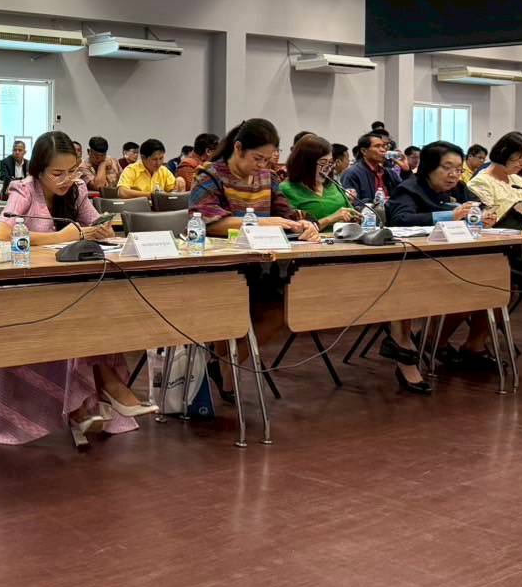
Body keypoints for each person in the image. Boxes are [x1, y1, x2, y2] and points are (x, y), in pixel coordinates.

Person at [0, 131, 155, 448]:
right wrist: (62, 237)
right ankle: (104, 390)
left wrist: (100, 229)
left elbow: (94, 224)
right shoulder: (24, 189)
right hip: (23, 288)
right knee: (79, 309)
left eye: (72, 171)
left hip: (64, 284)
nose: (66, 180)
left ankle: (85, 405)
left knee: (97, 302)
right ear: (38, 170)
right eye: (57, 173)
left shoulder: (77, 190)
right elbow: (2, 236)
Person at [189, 119, 319, 396]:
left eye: (268, 160)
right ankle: (227, 367)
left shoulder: (268, 178)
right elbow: (208, 222)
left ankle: (226, 364)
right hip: (221, 267)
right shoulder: (210, 175)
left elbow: (285, 215)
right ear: (238, 148)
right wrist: (262, 222)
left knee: (284, 309)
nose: (262, 165)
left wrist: (303, 224)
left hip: (263, 264)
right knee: (231, 310)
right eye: (257, 158)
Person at [381, 140, 501, 388]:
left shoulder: (460, 188)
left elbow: (477, 210)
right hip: (415, 264)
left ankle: (465, 344)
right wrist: (449, 216)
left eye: (458, 169)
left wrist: (483, 218)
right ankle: (408, 347)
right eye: (447, 168)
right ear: (428, 167)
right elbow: (400, 220)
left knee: (494, 283)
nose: (454, 175)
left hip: (458, 260)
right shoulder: (409, 189)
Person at [278, 134, 360, 231]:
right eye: (322, 162)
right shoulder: (287, 189)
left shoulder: (332, 185)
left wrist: (355, 218)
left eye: (330, 162)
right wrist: (330, 219)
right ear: (305, 163)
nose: (328, 168)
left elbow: (350, 212)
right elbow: (293, 229)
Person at [466, 132, 522, 225]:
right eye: (521, 159)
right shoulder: (480, 182)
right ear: (504, 152)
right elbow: (490, 222)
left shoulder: (517, 179)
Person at [341, 130, 399, 202]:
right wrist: (375, 203)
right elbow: (352, 203)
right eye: (377, 146)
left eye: (383, 146)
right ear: (364, 151)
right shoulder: (352, 173)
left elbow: (404, 195)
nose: (383, 150)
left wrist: (406, 170)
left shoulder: (388, 173)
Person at [118, 138, 186, 197]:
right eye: (154, 159)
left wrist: (179, 185)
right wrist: (151, 196)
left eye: (161, 158)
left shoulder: (163, 171)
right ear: (143, 158)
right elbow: (122, 192)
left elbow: (172, 191)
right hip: (138, 207)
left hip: (160, 207)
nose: (158, 163)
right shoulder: (131, 170)